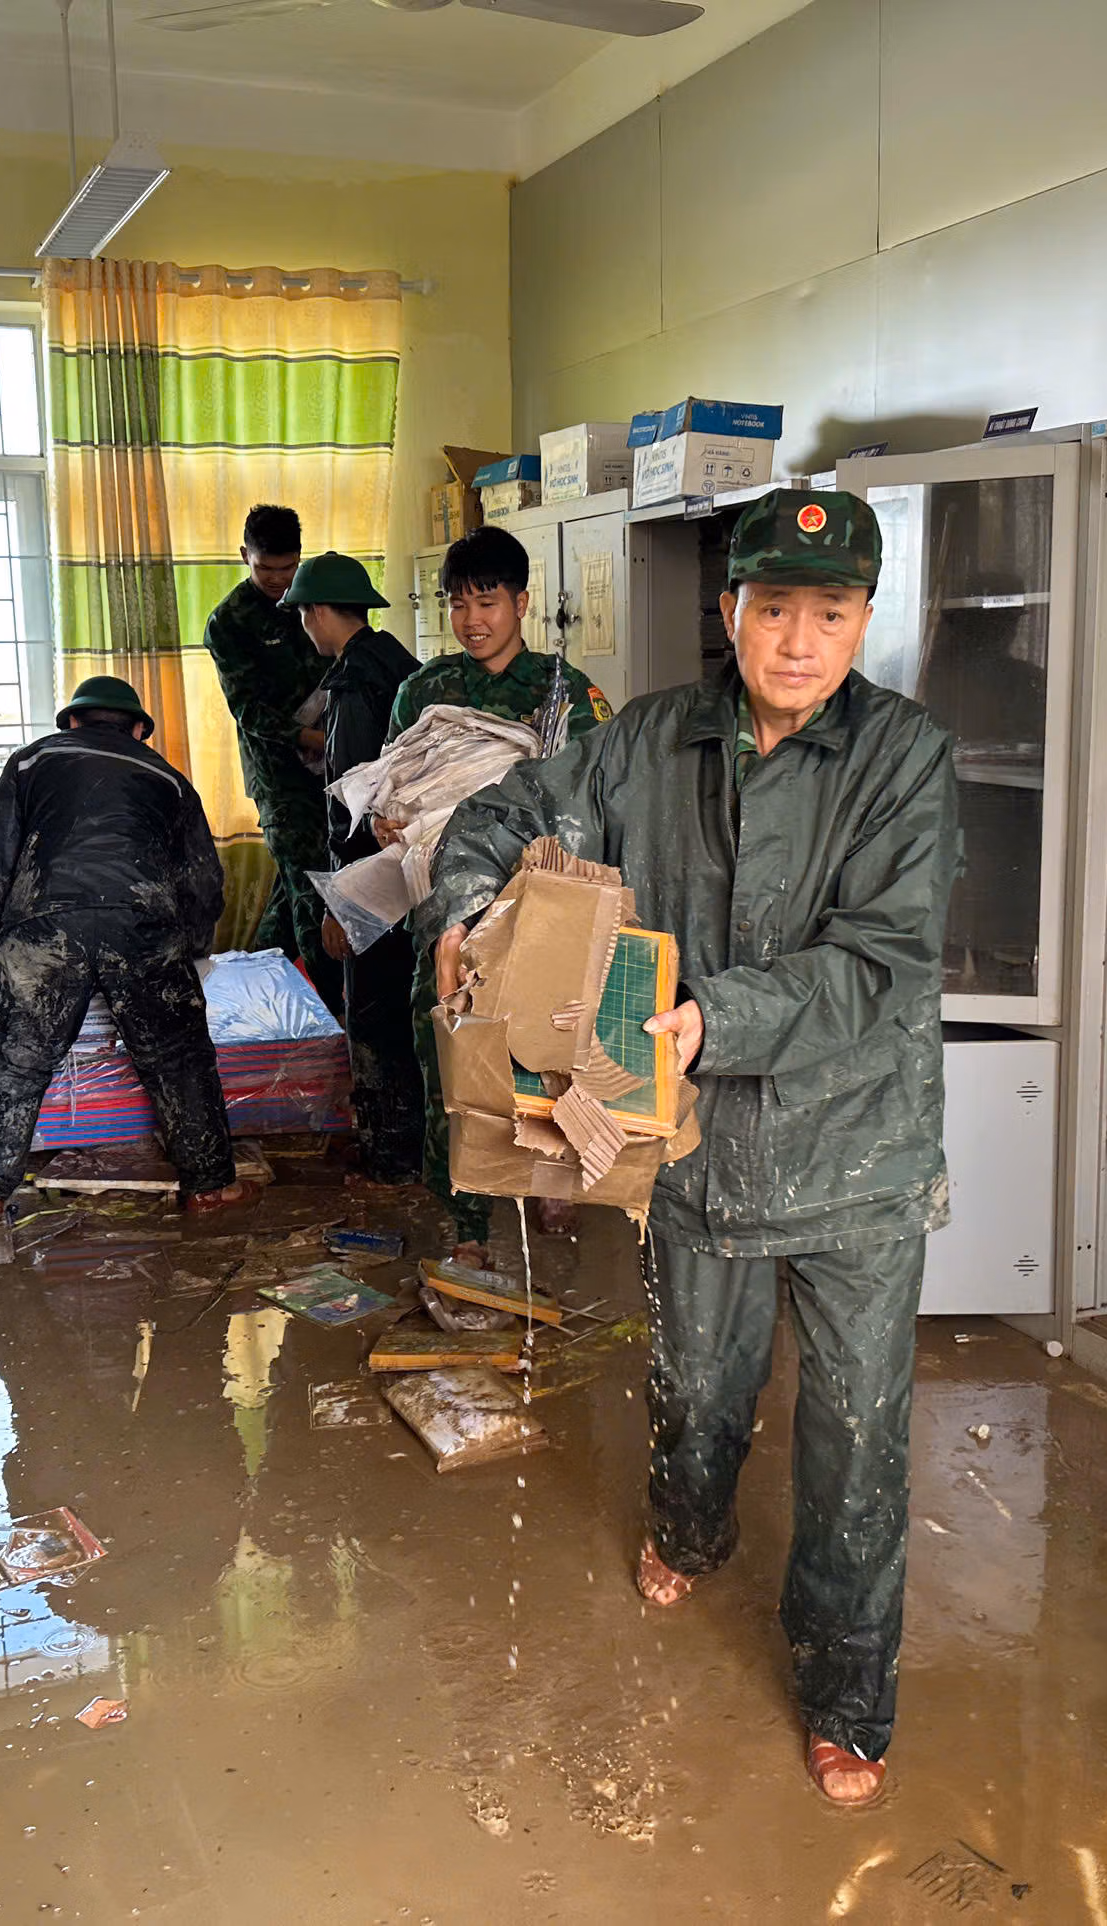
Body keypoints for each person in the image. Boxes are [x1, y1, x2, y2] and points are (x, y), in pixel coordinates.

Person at [421, 489, 957, 1810]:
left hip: (858, 1153)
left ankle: (846, 1695)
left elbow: (883, 960)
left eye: (829, 613)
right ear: (732, 611)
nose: (799, 640)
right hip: (698, 1154)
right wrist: (471, 910)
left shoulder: (905, 756)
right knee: (698, 1384)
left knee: (856, 1434)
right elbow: (505, 812)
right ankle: (689, 1528)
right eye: (773, 609)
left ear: (863, 621)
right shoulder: (650, 739)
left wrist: (719, 1017)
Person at [0, 677, 257, 1217]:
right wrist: (189, 950)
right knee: (178, 1058)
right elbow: (202, 882)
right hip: (143, 923)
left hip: (45, 923)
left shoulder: (31, 761)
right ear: (138, 730)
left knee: (16, 1058)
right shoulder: (171, 779)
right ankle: (210, 1187)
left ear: (72, 721)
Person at [384, 523, 612, 1266]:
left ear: (522, 603)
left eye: (487, 602)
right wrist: (390, 822)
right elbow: (392, 784)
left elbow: (600, 800)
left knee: (546, 1050)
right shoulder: (423, 692)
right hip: (446, 912)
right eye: (458, 604)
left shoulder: (566, 692)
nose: (471, 620)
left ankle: (551, 1178)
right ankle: (467, 1222)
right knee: (448, 1058)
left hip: (538, 910)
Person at [283, 551, 426, 1188]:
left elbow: (350, 803)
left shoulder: (351, 684)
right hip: (415, 867)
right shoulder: (401, 665)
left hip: (374, 879)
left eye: (303, 613)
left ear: (317, 612)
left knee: (371, 1012)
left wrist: (341, 905)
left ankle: (388, 1158)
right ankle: (411, 1145)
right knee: (406, 1008)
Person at [202, 503, 339, 1011]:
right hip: (280, 777)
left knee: (296, 885)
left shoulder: (314, 598)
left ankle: (246, 986)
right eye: (266, 569)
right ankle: (333, 1011)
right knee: (312, 893)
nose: (279, 581)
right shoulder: (229, 622)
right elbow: (248, 710)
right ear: (245, 556)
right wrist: (309, 737)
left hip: (334, 765)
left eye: (288, 568)